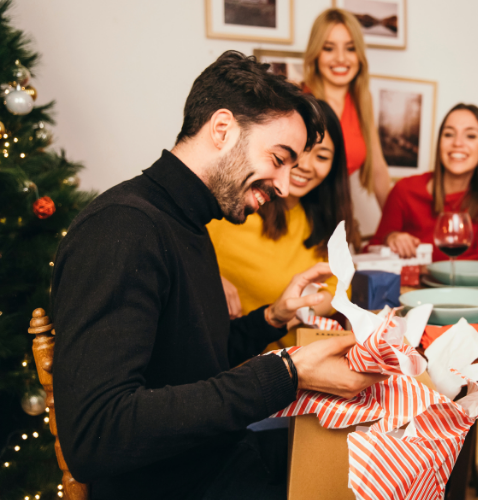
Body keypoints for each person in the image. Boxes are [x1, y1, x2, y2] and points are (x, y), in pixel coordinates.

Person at [50, 51, 387, 499]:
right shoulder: (123, 228)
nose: (285, 186)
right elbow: (96, 436)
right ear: (223, 128)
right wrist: (286, 373)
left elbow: (195, 361)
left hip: (222, 460)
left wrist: (271, 317)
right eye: (279, 157)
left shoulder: (189, 221)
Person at [208, 100, 353, 347]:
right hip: (230, 361)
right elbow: (177, 253)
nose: (305, 165)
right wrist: (210, 278)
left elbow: (339, 286)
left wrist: (299, 311)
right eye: (300, 151)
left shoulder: (323, 219)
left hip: (293, 362)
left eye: (322, 156)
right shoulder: (235, 206)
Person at [369, 103, 478, 261]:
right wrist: (391, 239)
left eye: (470, 136)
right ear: (439, 142)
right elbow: (370, 253)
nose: (457, 143)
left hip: (470, 286)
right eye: (449, 134)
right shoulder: (404, 190)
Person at [303, 8, 391, 237]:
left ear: (359, 55)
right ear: (316, 53)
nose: (341, 58)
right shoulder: (298, 97)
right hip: (299, 219)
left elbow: (378, 169)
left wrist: (395, 225)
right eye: (328, 48)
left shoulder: (363, 100)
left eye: (350, 48)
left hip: (339, 220)